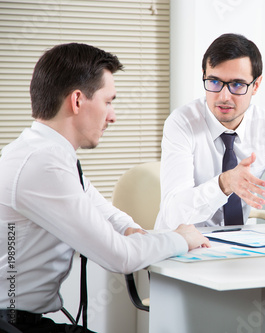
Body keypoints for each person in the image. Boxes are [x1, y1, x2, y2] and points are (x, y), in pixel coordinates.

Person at [0, 43, 210, 333]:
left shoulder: (45, 152)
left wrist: (130, 229)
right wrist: (181, 238)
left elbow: (102, 210)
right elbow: (119, 257)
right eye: (108, 101)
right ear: (77, 101)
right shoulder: (42, 163)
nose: (112, 116)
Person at [155, 33, 265, 230]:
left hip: (239, 247)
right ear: (204, 76)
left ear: (255, 85)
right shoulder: (182, 123)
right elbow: (173, 215)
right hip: (184, 246)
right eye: (214, 82)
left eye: (237, 85)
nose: (224, 96)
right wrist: (224, 184)